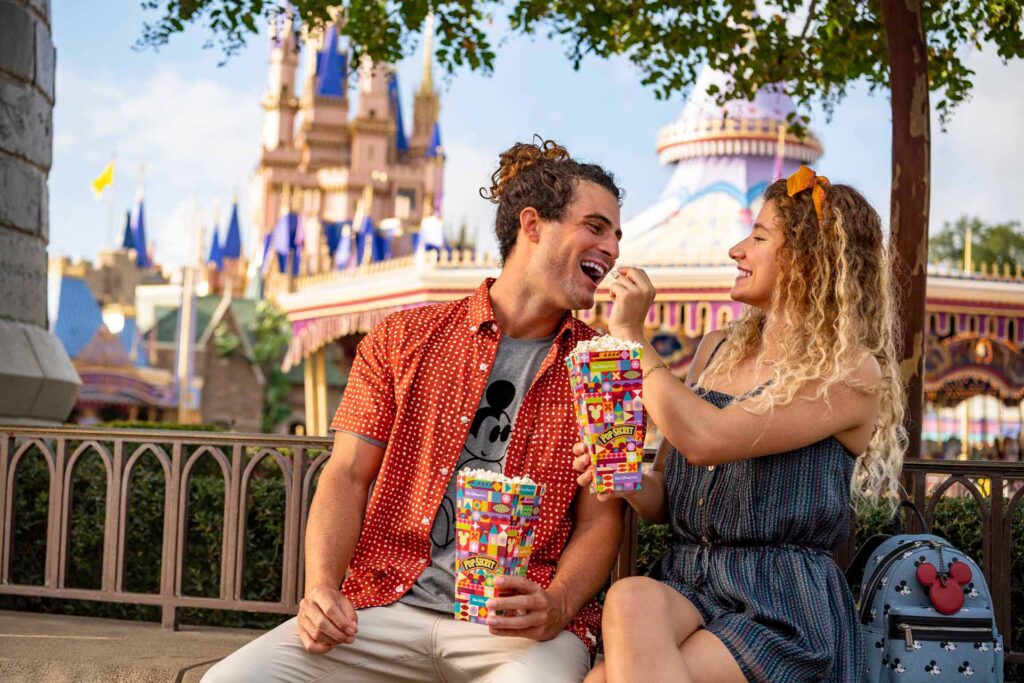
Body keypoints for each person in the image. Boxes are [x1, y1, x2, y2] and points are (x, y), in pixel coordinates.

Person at [203, 138, 626, 682]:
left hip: (519, 630)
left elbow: (601, 520)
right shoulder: (403, 338)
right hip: (382, 606)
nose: (612, 248)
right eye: (596, 227)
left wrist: (561, 604)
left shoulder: (605, 369)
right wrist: (322, 590)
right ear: (533, 225)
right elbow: (347, 476)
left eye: (616, 234)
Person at [575, 167, 906, 682]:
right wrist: (631, 481)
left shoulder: (848, 373)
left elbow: (707, 439)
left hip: (778, 601)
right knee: (630, 594)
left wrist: (631, 337)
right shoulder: (716, 348)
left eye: (758, 237)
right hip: (689, 581)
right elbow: (671, 493)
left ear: (807, 260)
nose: (737, 250)